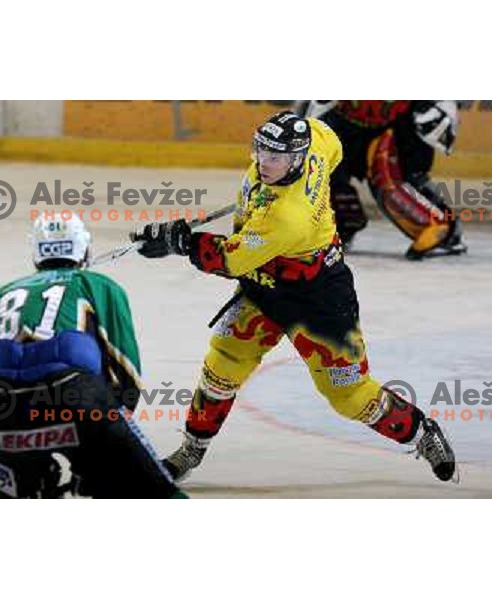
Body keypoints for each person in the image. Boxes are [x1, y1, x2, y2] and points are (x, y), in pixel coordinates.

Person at [135, 110, 456, 484]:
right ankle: (192, 449)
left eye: (276, 157)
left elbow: (230, 259)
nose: (264, 162)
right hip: (264, 286)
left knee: (349, 396)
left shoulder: (288, 216)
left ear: (297, 158)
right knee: (222, 364)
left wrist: (179, 241)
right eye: (261, 150)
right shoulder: (317, 139)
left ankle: (422, 432)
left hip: (318, 301)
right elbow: (335, 145)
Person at [0, 214, 185, 499]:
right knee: (157, 494)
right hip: (77, 404)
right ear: (85, 249)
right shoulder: (99, 285)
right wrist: (109, 441)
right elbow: (126, 373)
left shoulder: (2, 296)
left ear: (36, 253)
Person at [304, 100, 466, 259]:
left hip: (398, 126)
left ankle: (443, 229)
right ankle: (339, 224)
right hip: (343, 121)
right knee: (317, 169)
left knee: (390, 179)